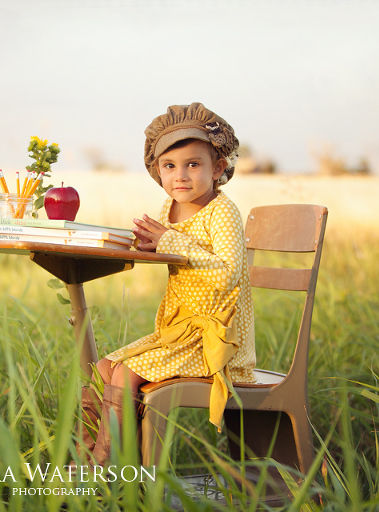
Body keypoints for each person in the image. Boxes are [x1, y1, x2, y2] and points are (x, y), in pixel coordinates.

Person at [78, 102, 256, 466]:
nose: (181, 176)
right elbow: (172, 256)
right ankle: (81, 462)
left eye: (193, 164)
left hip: (217, 340)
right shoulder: (167, 209)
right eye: (169, 166)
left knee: (125, 375)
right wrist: (145, 245)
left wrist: (169, 242)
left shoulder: (222, 212)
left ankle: (108, 473)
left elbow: (229, 274)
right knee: (104, 369)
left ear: (218, 168)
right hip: (178, 331)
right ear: (157, 171)